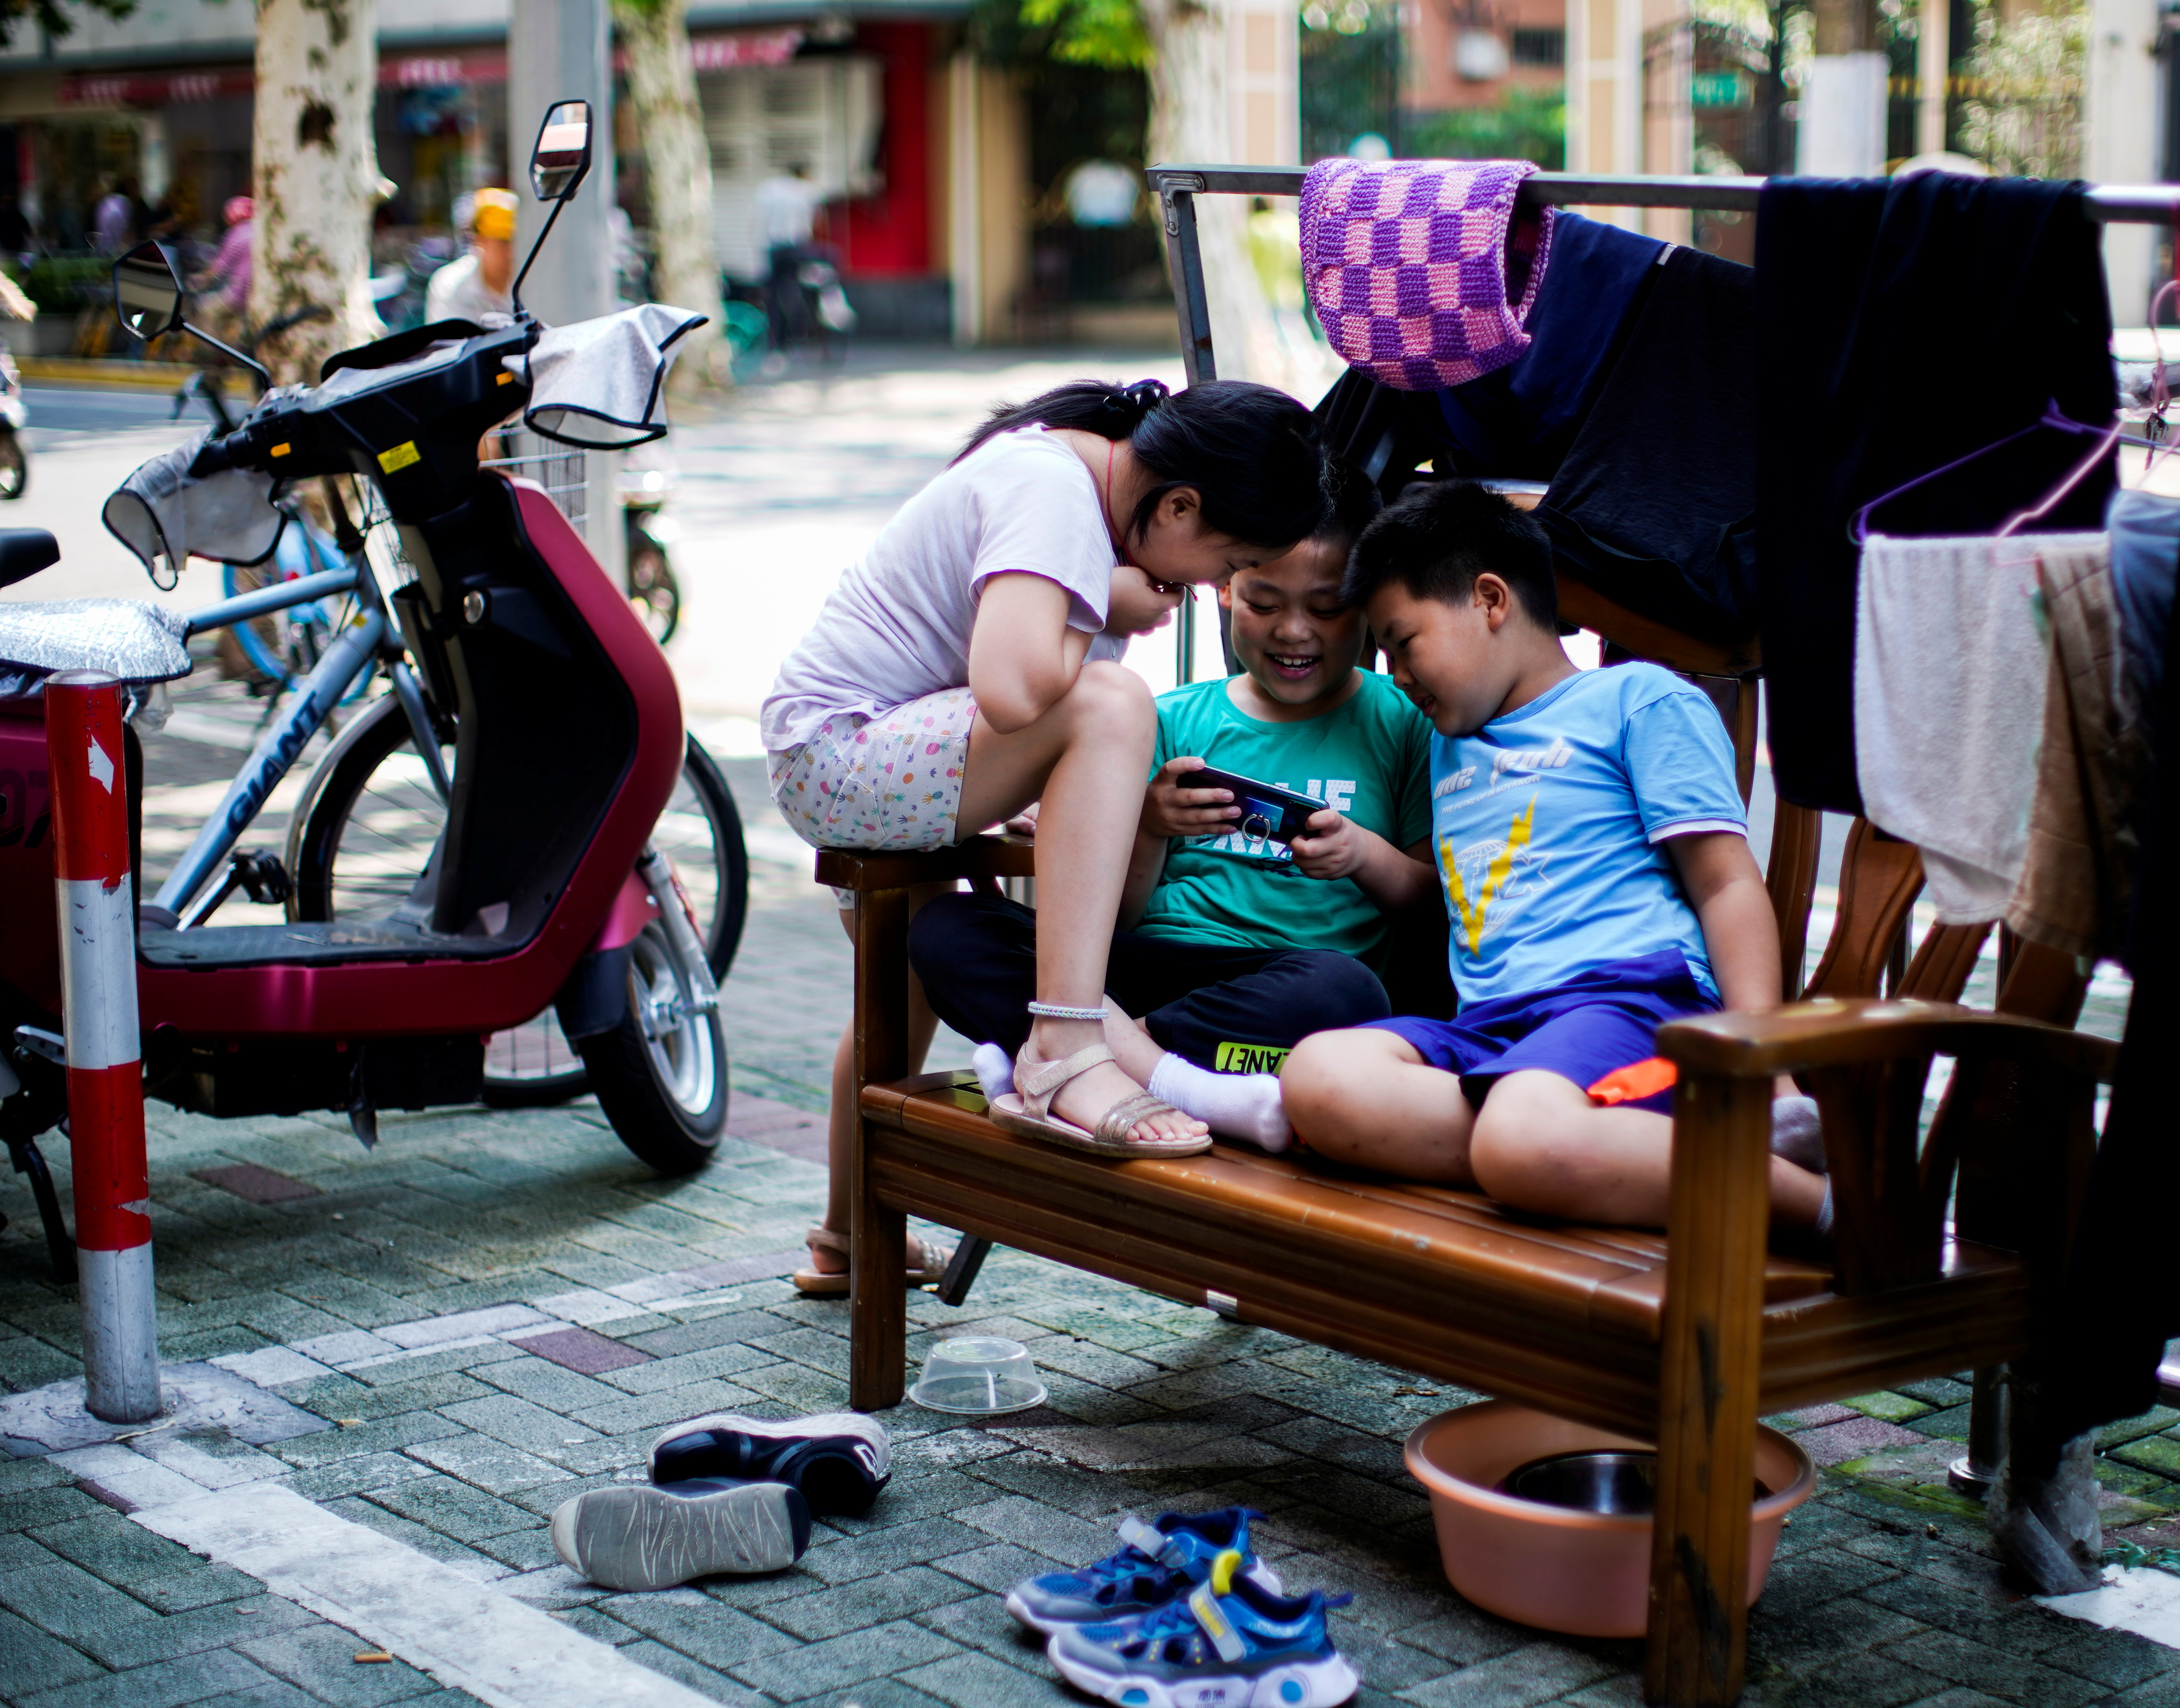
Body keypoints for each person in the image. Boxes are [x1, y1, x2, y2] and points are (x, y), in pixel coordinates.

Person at [764, 376, 1328, 1293]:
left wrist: (1033, 772)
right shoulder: (1054, 489)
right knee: (1115, 699)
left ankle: (848, 1238)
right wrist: (1108, 603)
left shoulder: (1079, 488)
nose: (1206, 586)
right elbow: (1015, 689)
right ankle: (1065, 1045)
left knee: (895, 989)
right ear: (1178, 504)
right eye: (1221, 559)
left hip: (859, 746)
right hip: (843, 749)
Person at [1278, 481, 1829, 1233]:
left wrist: (1766, 1065)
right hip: (1497, 1029)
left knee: (1523, 1132)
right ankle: (1570, 1152)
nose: (1397, 676)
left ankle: (1830, 1211)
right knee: (1320, 1077)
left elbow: (1727, 883)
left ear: (1491, 600)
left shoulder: (1637, 700)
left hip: (1634, 1005)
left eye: (1404, 643)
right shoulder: (1448, 743)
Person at [907, 470, 1436, 1153]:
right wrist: (1151, 827)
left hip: (1275, 986)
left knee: (1348, 993)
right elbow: (1112, 918)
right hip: (1143, 965)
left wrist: (1363, 855)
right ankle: (1141, 1070)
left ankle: (1084, 1057)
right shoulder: (1166, 719)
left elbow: (1430, 905)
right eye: (1265, 602)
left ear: (1362, 601)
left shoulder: (1401, 723)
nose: (1294, 630)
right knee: (946, 929)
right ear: (1225, 585)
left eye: (1327, 606)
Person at [425, 189, 517, 327]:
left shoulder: (535, 281)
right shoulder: (450, 285)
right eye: (503, 241)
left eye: (515, 241)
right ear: (480, 240)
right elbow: (447, 344)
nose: (511, 251)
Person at [754, 162, 819, 350]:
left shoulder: (769, 189)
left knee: (773, 296)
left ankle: (777, 340)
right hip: (796, 248)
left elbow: (760, 223)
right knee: (799, 290)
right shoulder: (805, 191)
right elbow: (810, 224)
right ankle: (801, 332)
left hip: (773, 249)